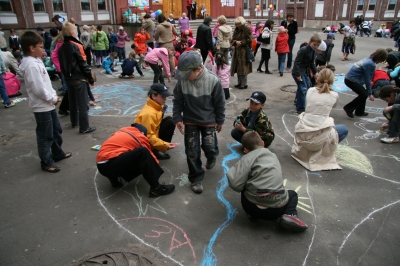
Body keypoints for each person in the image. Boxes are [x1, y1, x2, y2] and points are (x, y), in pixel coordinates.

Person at [227, 131, 308, 232]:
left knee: (244, 185)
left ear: (246, 150)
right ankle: (290, 214)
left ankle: (252, 216)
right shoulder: (273, 156)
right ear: (263, 143)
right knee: (293, 194)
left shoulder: (246, 158)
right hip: (276, 211)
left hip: (251, 207)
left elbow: (235, 184)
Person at [173, 51, 225, 194]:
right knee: (192, 150)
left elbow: (220, 103)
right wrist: (177, 117)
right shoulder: (182, 81)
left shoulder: (213, 81)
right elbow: (177, 100)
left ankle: (212, 155)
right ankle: (196, 178)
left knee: (209, 146)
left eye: (186, 74)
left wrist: (220, 120)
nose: (183, 77)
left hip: (208, 120)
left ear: (198, 69)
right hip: (190, 120)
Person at [19, 31, 71, 172]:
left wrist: (53, 95)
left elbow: (46, 83)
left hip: (48, 104)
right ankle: (46, 161)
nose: (43, 49)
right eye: (41, 47)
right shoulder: (31, 65)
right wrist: (52, 98)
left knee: (56, 130)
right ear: (31, 48)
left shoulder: (36, 62)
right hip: (42, 106)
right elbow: (39, 89)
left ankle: (57, 153)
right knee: (45, 135)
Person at [96, 123, 175, 197]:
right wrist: (154, 166)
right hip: (109, 165)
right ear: (142, 133)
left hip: (101, 163)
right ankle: (156, 189)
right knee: (142, 152)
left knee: (126, 153)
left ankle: (114, 181)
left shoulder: (123, 131)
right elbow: (148, 155)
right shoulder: (138, 137)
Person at [291, 69, 348, 171]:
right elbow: (333, 105)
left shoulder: (310, 91)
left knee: (324, 127)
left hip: (303, 134)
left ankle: (311, 150)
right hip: (318, 139)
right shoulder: (334, 95)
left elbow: (307, 105)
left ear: (317, 79)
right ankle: (321, 152)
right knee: (343, 129)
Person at [58, 22, 96, 134]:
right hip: (78, 77)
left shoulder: (61, 47)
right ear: (72, 33)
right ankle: (84, 127)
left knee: (72, 101)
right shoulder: (75, 46)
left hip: (68, 78)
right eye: (75, 31)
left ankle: (74, 122)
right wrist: (90, 77)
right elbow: (82, 63)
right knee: (83, 103)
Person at [134, 83, 176, 160]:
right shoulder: (148, 114)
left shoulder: (156, 106)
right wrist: (165, 145)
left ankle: (159, 147)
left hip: (153, 134)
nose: (165, 99)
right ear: (154, 96)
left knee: (170, 120)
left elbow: (156, 126)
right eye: (163, 97)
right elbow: (148, 137)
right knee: (170, 122)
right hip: (145, 142)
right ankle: (154, 151)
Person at [343, 48, 388, 118]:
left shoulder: (369, 59)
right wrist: (370, 93)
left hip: (350, 79)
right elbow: (368, 79)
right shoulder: (371, 64)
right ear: (380, 58)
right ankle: (348, 108)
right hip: (351, 80)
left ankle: (359, 111)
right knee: (364, 95)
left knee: (363, 93)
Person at [292, 33, 323, 113]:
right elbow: (297, 63)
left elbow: (311, 63)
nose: (316, 46)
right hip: (298, 72)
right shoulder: (304, 50)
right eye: (314, 44)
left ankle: (299, 101)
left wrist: (315, 72)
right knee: (303, 89)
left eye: (317, 45)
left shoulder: (313, 51)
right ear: (310, 42)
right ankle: (300, 108)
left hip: (305, 71)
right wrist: (298, 75)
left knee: (308, 87)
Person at [231, 16, 253, 90]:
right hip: (237, 51)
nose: (237, 25)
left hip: (244, 51)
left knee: (243, 68)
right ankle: (239, 82)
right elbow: (232, 39)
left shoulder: (247, 29)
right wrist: (235, 42)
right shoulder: (236, 30)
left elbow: (250, 39)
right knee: (238, 67)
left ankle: (244, 84)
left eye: (239, 24)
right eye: (236, 24)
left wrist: (241, 42)